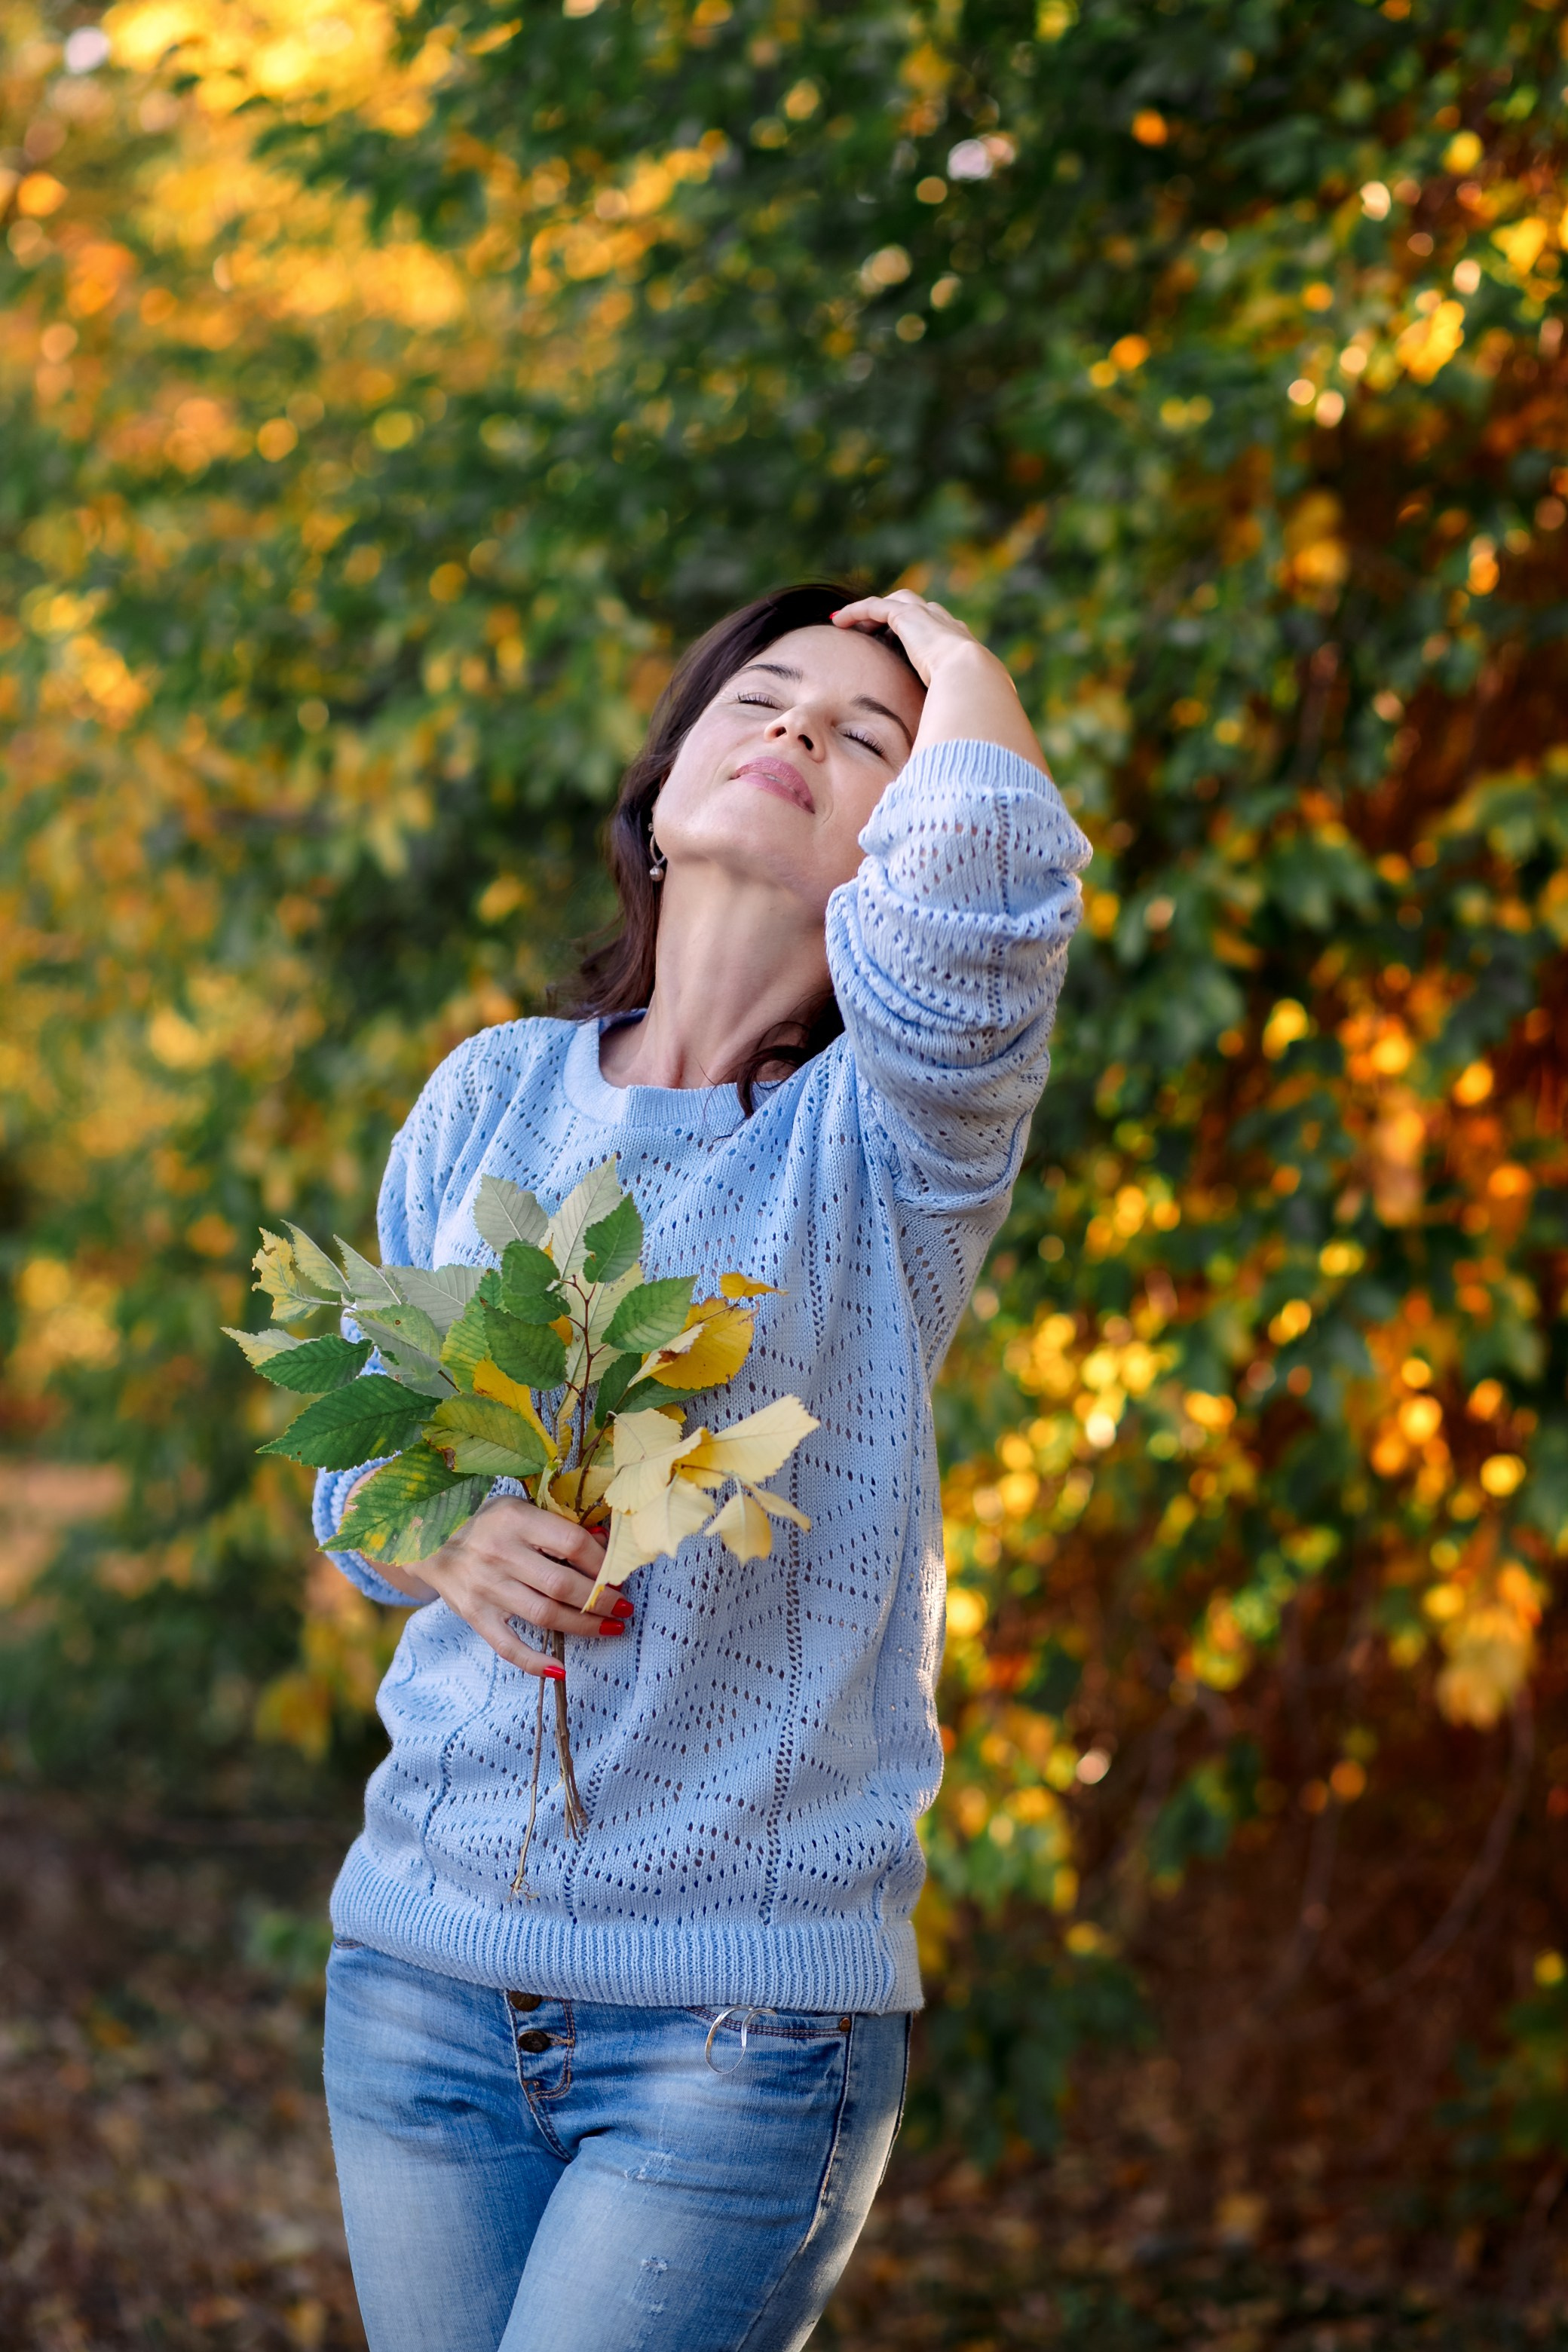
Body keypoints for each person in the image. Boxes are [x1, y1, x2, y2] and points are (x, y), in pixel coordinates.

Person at [314, 583, 1091, 2352]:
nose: (802, 734)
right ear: (662, 787)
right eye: (764, 697)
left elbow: (992, 894)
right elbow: (357, 1463)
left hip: (731, 2037)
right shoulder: (488, 1095)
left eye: (865, 735)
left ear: (896, 841)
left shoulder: (892, 1143)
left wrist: (963, 665)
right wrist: (444, 1536)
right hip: (420, 1981)